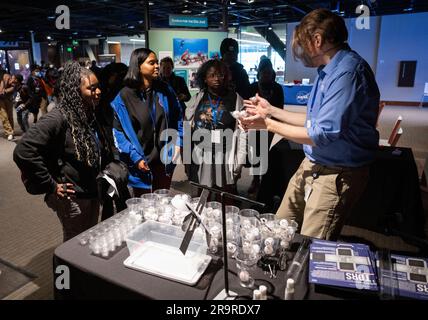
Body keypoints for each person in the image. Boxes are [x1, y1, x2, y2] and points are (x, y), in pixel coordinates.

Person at [241, 9, 380, 240]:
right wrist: (271, 111)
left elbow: (320, 133)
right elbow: (313, 120)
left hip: (336, 173)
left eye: (300, 44)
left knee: (311, 246)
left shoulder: (347, 72)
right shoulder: (329, 71)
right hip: (314, 164)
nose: (298, 52)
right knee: (279, 228)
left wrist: (267, 124)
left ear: (317, 40)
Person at [14, 61, 104, 242]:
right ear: (75, 92)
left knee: (88, 239)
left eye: (98, 87)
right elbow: (23, 150)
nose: (98, 92)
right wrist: (51, 185)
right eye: (91, 88)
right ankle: (66, 271)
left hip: (89, 190)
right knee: (75, 245)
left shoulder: (85, 112)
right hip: (72, 196)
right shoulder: (58, 117)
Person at [111, 48, 183, 197]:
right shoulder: (124, 96)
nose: (157, 66)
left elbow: (179, 118)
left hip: (165, 160)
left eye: (157, 62)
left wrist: (179, 144)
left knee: (162, 202)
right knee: (144, 206)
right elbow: (119, 133)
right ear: (138, 66)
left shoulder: (165, 90)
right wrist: (135, 157)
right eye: (152, 63)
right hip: (140, 162)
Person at [185, 59, 246, 194]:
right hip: (201, 154)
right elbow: (187, 127)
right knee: (201, 195)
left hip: (224, 155)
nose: (217, 79)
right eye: (212, 75)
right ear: (204, 78)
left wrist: (239, 162)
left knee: (223, 196)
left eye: (221, 75)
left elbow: (243, 133)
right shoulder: (197, 98)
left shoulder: (236, 99)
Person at [247, 58, 285, 196]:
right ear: (259, 73)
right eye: (264, 72)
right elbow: (247, 106)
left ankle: (265, 182)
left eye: (269, 72)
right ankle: (255, 180)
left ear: (273, 73)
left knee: (268, 155)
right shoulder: (252, 87)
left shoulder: (277, 88)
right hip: (255, 126)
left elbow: (280, 108)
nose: (266, 75)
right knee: (255, 154)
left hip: (271, 127)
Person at [0, 70, 16, 140]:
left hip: (7, 98)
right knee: (4, 116)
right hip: (0, 100)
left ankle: (11, 131)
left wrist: (5, 91)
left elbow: (13, 86)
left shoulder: (6, 76)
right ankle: (9, 132)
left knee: (10, 116)